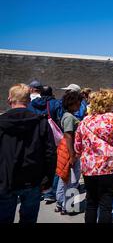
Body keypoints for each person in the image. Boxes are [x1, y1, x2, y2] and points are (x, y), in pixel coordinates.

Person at [0, 84, 56, 223]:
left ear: (9, 100)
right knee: (29, 219)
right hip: (33, 179)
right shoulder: (41, 122)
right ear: (29, 101)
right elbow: (50, 153)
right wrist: (48, 179)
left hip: (5, 179)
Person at [75, 89, 113, 223]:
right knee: (106, 204)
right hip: (110, 166)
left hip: (89, 168)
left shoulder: (85, 121)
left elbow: (77, 146)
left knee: (91, 202)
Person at [55, 91, 83, 215]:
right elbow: (68, 136)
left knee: (65, 178)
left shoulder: (67, 115)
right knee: (72, 180)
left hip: (67, 150)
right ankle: (68, 206)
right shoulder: (69, 117)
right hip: (70, 152)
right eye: (78, 103)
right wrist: (72, 155)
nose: (79, 105)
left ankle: (60, 203)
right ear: (72, 103)